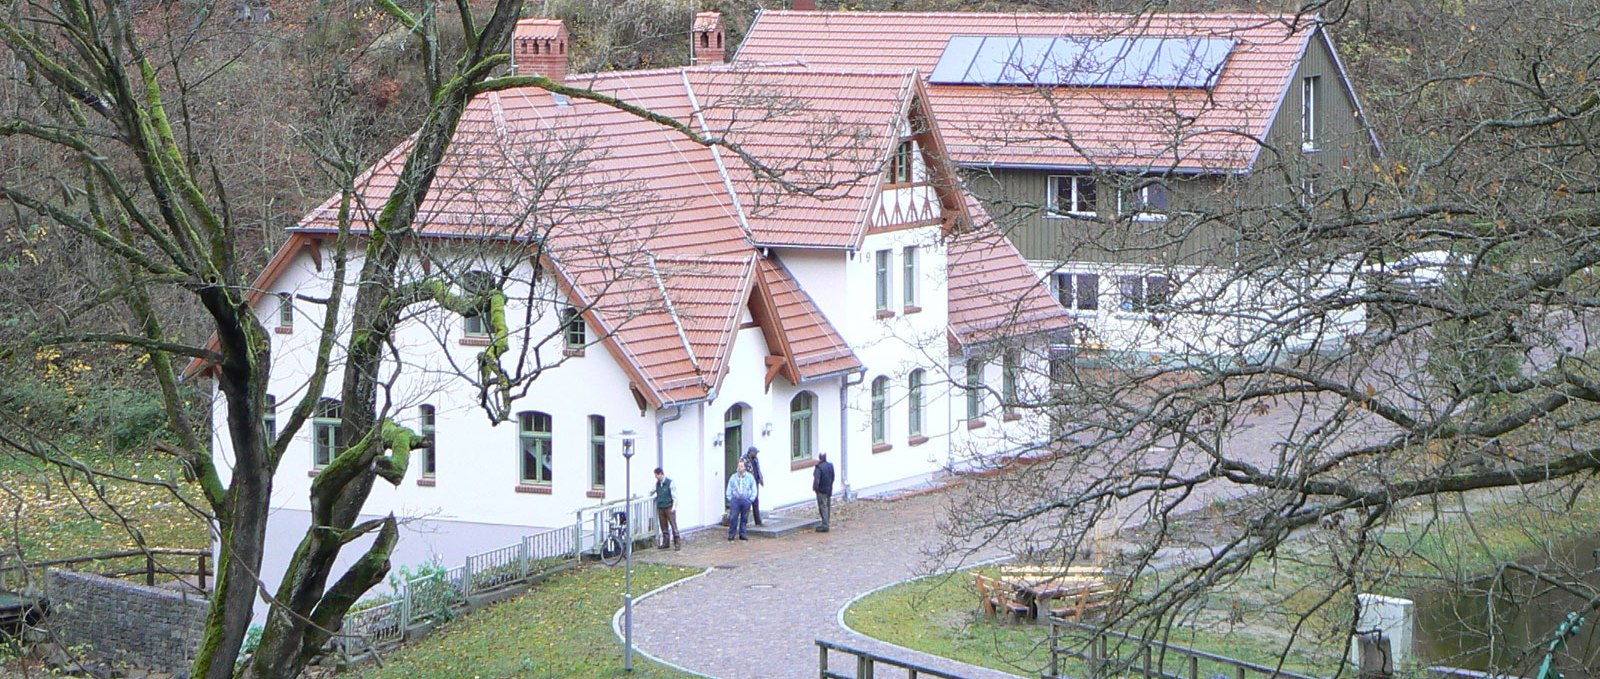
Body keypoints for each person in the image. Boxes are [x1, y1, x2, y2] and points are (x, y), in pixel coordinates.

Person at [726, 460, 757, 541]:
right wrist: (731, 498)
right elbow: (729, 489)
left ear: (745, 467)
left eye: (742, 466)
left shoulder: (750, 477)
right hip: (735, 500)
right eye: (739, 466)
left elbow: (754, 489)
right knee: (733, 517)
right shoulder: (733, 477)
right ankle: (731, 534)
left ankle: (742, 534)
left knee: (744, 518)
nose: (740, 468)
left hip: (745, 500)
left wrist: (750, 499)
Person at [653, 467, 681, 550]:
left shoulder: (670, 483)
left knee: (673, 525)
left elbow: (675, 496)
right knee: (663, 525)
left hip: (669, 506)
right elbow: (651, 491)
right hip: (661, 507)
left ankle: (677, 543)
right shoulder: (657, 484)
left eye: (657, 476)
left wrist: (674, 507)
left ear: (661, 474)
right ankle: (666, 542)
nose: (656, 478)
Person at [742, 446, 765, 525]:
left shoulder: (755, 459)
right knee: (747, 502)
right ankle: (745, 522)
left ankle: (758, 521)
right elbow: (741, 471)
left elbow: (758, 469)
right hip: (748, 484)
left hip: (755, 483)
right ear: (751, 452)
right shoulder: (743, 459)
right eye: (755, 452)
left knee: (755, 501)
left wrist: (761, 479)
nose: (756, 454)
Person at [813, 451, 835, 532]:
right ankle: (826, 522)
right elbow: (833, 477)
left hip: (821, 490)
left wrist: (816, 489)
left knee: (823, 506)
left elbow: (816, 480)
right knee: (827, 506)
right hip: (828, 488)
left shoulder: (819, 467)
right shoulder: (830, 465)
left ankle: (825, 524)